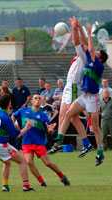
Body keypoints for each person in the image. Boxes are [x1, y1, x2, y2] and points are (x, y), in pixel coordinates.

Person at [54, 19, 108, 166]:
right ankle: (59, 139)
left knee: (95, 127)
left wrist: (89, 33)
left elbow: (88, 48)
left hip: (93, 98)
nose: (94, 51)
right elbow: (84, 45)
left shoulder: (97, 65)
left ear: (100, 58)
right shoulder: (90, 60)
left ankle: (100, 152)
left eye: (97, 53)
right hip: (83, 95)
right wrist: (79, 28)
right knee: (69, 114)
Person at [48, 17, 88, 154]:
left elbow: (78, 41)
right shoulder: (78, 57)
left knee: (70, 116)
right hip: (68, 88)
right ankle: (82, 144)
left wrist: (74, 28)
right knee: (64, 116)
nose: (75, 44)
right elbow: (79, 41)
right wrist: (78, 27)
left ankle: (60, 141)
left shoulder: (84, 56)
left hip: (74, 87)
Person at [12, 94, 70, 187]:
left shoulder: (43, 115)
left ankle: (62, 176)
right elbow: (13, 116)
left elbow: (49, 130)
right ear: (32, 101)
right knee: (29, 162)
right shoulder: (24, 110)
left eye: (39, 98)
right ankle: (41, 182)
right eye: (35, 98)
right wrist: (14, 124)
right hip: (26, 143)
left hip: (39, 143)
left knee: (47, 163)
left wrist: (50, 130)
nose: (38, 100)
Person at [0, 94, 35, 192]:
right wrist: (27, 127)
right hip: (0, 145)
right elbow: (17, 135)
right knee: (22, 161)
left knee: (7, 162)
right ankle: (26, 187)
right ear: (9, 104)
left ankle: (5, 186)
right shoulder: (7, 118)